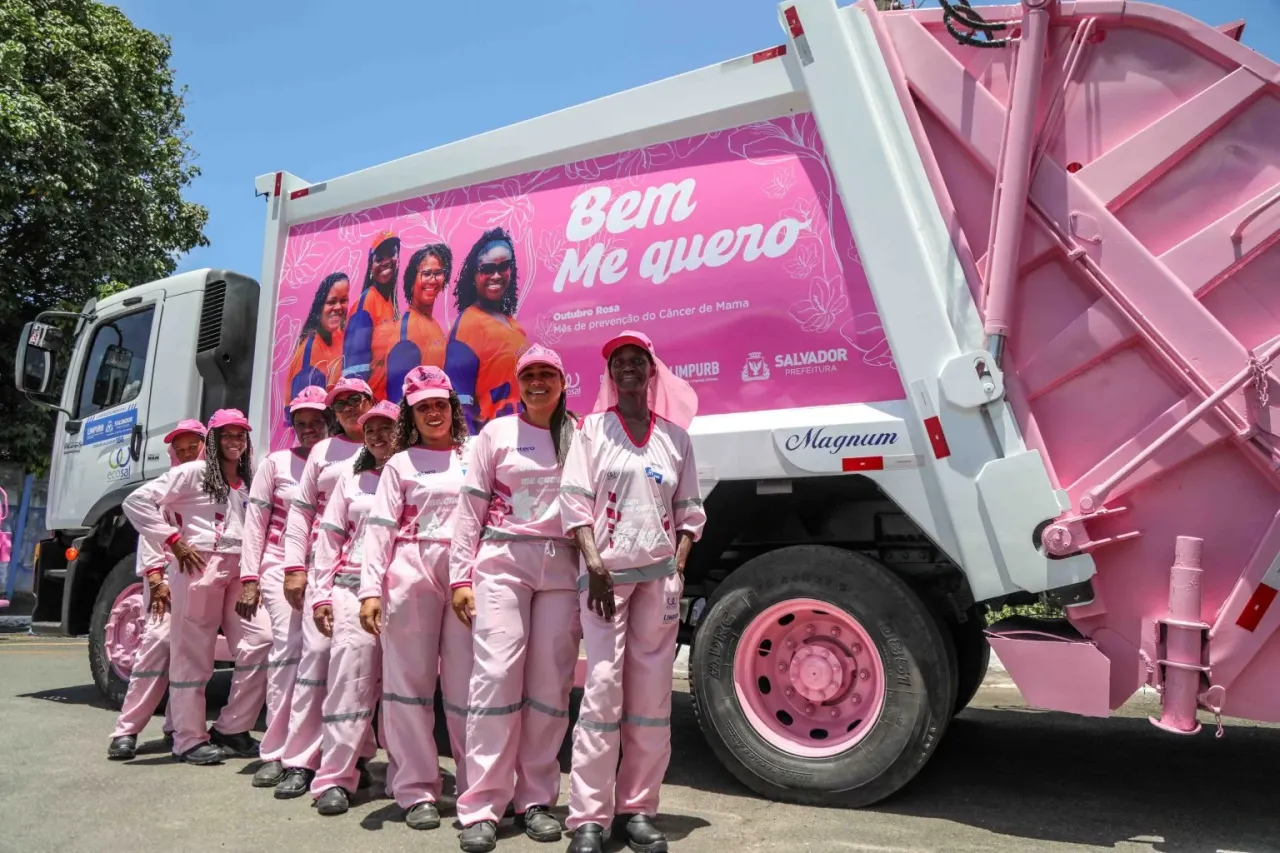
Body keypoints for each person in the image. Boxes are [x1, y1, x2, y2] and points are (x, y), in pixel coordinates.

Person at [560, 330, 705, 853]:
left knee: (651, 699)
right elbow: (574, 505)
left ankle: (638, 810)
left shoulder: (676, 438)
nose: (627, 368)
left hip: (658, 582)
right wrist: (594, 564)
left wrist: (679, 565)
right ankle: (588, 820)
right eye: (618, 361)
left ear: (651, 371)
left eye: (636, 360)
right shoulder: (591, 431)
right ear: (611, 373)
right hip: (606, 581)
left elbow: (689, 512)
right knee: (601, 692)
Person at [451, 344, 582, 853]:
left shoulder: (579, 434)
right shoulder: (496, 433)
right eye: (529, 374)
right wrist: (460, 577)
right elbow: (469, 509)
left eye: (548, 373)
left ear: (562, 382)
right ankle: (483, 805)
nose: (538, 382)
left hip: (561, 564)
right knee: (497, 677)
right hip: (503, 562)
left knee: (550, 685)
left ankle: (536, 799)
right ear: (519, 382)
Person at [120, 409, 273, 766]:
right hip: (198, 566)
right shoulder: (193, 472)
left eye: (241, 435)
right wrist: (172, 541)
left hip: (240, 570)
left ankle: (232, 727)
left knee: (260, 640)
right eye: (227, 435)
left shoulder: (248, 479)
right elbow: (137, 502)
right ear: (214, 440)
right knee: (192, 654)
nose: (235, 441)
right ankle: (188, 738)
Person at [273, 377, 376, 798]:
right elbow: (299, 515)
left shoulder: (392, 442)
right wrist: (294, 567)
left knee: (362, 673)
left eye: (357, 400)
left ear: (371, 401)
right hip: (325, 568)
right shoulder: (322, 452)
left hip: (376, 572)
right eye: (342, 403)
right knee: (315, 659)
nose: (351, 407)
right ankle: (299, 760)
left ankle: (358, 759)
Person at [237, 386, 331, 788]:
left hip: (327, 569)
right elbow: (255, 525)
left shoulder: (341, 461)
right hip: (280, 568)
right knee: (289, 653)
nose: (308, 429)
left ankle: (324, 751)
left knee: (325, 656)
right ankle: (277, 751)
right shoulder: (274, 463)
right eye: (301, 422)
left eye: (315, 421)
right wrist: (249, 579)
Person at [309, 398, 400, 816]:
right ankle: (336, 777)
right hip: (351, 589)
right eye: (371, 430)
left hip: (406, 593)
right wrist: (321, 593)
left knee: (404, 692)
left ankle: (406, 779)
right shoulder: (352, 477)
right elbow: (328, 539)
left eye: (389, 427)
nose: (380, 436)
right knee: (350, 683)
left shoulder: (421, 470)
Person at [107, 419, 207, 761]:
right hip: (165, 578)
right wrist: (154, 577)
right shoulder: (165, 487)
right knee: (157, 645)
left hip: (199, 579)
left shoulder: (214, 484)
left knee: (192, 655)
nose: (185, 453)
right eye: (179, 450)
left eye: (192, 446)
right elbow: (149, 532)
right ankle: (127, 730)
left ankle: (177, 728)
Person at [444, 228, 529, 433]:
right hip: (494, 443)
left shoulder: (511, 323)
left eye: (504, 267)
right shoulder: (468, 326)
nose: (496, 276)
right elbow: (459, 407)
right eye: (487, 269)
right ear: (474, 274)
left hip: (524, 436)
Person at [369, 244, 451, 404]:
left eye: (438, 273)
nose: (433, 280)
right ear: (412, 280)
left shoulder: (432, 323)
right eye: (426, 274)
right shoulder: (407, 331)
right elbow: (398, 399)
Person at [344, 230, 402, 382]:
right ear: (371, 266)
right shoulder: (365, 306)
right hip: (374, 404)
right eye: (379, 258)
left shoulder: (391, 304)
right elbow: (353, 373)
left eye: (391, 254)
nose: (386, 261)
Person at [287, 272, 350, 402]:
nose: (338, 307)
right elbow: (304, 413)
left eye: (343, 300)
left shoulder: (341, 336)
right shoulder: (308, 353)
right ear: (319, 306)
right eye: (331, 302)